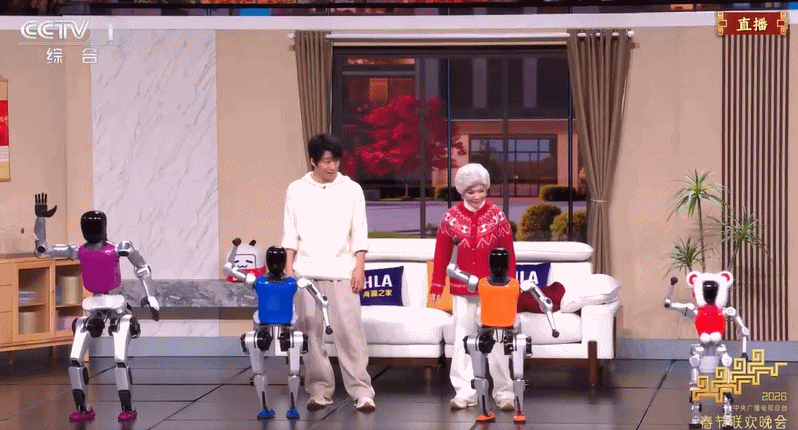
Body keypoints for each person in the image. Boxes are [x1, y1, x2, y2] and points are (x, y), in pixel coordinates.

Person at [282, 133, 376, 412]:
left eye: (335, 160)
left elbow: (359, 232)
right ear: (313, 161)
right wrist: (289, 269)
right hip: (305, 273)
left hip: (342, 271)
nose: (332, 166)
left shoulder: (352, 189)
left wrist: (359, 268)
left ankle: (362, 392)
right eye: (326, 161)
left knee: (350, 335)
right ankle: (319, 390)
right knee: (310, 335)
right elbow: (290, 232)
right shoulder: (296, 189)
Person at [430, 163, 517, 411]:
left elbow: (509, 252)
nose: (477, 196)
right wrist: (437, 284)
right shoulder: (451, 217)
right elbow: (442, 252)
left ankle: (504, 392)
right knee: (463, 338)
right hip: (462, 287)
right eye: (471, 192)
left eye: (481, 191)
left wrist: (511, 286)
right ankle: (465, 392)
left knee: (498, 338)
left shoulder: (498, 216)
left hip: (495, 289)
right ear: (461, 192)